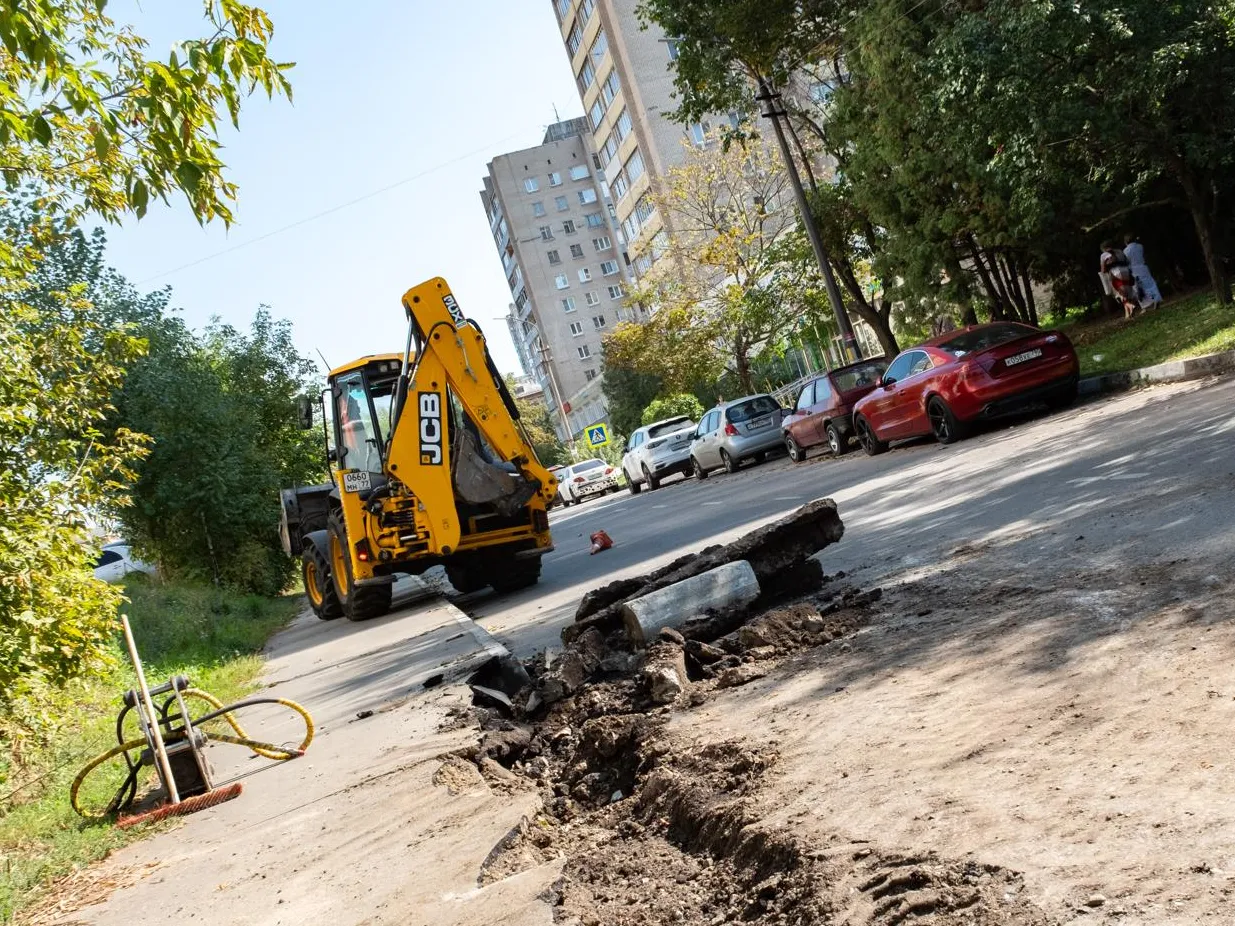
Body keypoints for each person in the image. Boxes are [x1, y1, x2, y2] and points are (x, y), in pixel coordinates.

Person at [1100, 241, 1142, 319]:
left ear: (1103, 249)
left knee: (1120, 294)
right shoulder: (1119, 251)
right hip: (1126, 272)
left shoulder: (1104, 255)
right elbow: (1126, 261)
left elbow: (1103, 270)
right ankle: (1128, 314)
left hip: (1115, 274)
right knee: (1128, 292)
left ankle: (1130, 306)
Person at [1123, 234, 1163, 308]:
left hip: (1134, 270)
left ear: (1126, 242)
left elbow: (1127, 261)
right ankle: (1156, 299)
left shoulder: (1126, 250)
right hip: (1143, 267)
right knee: (1151, 284)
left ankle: (1147, 304)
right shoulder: (1140, 246)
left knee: (1140, 287)